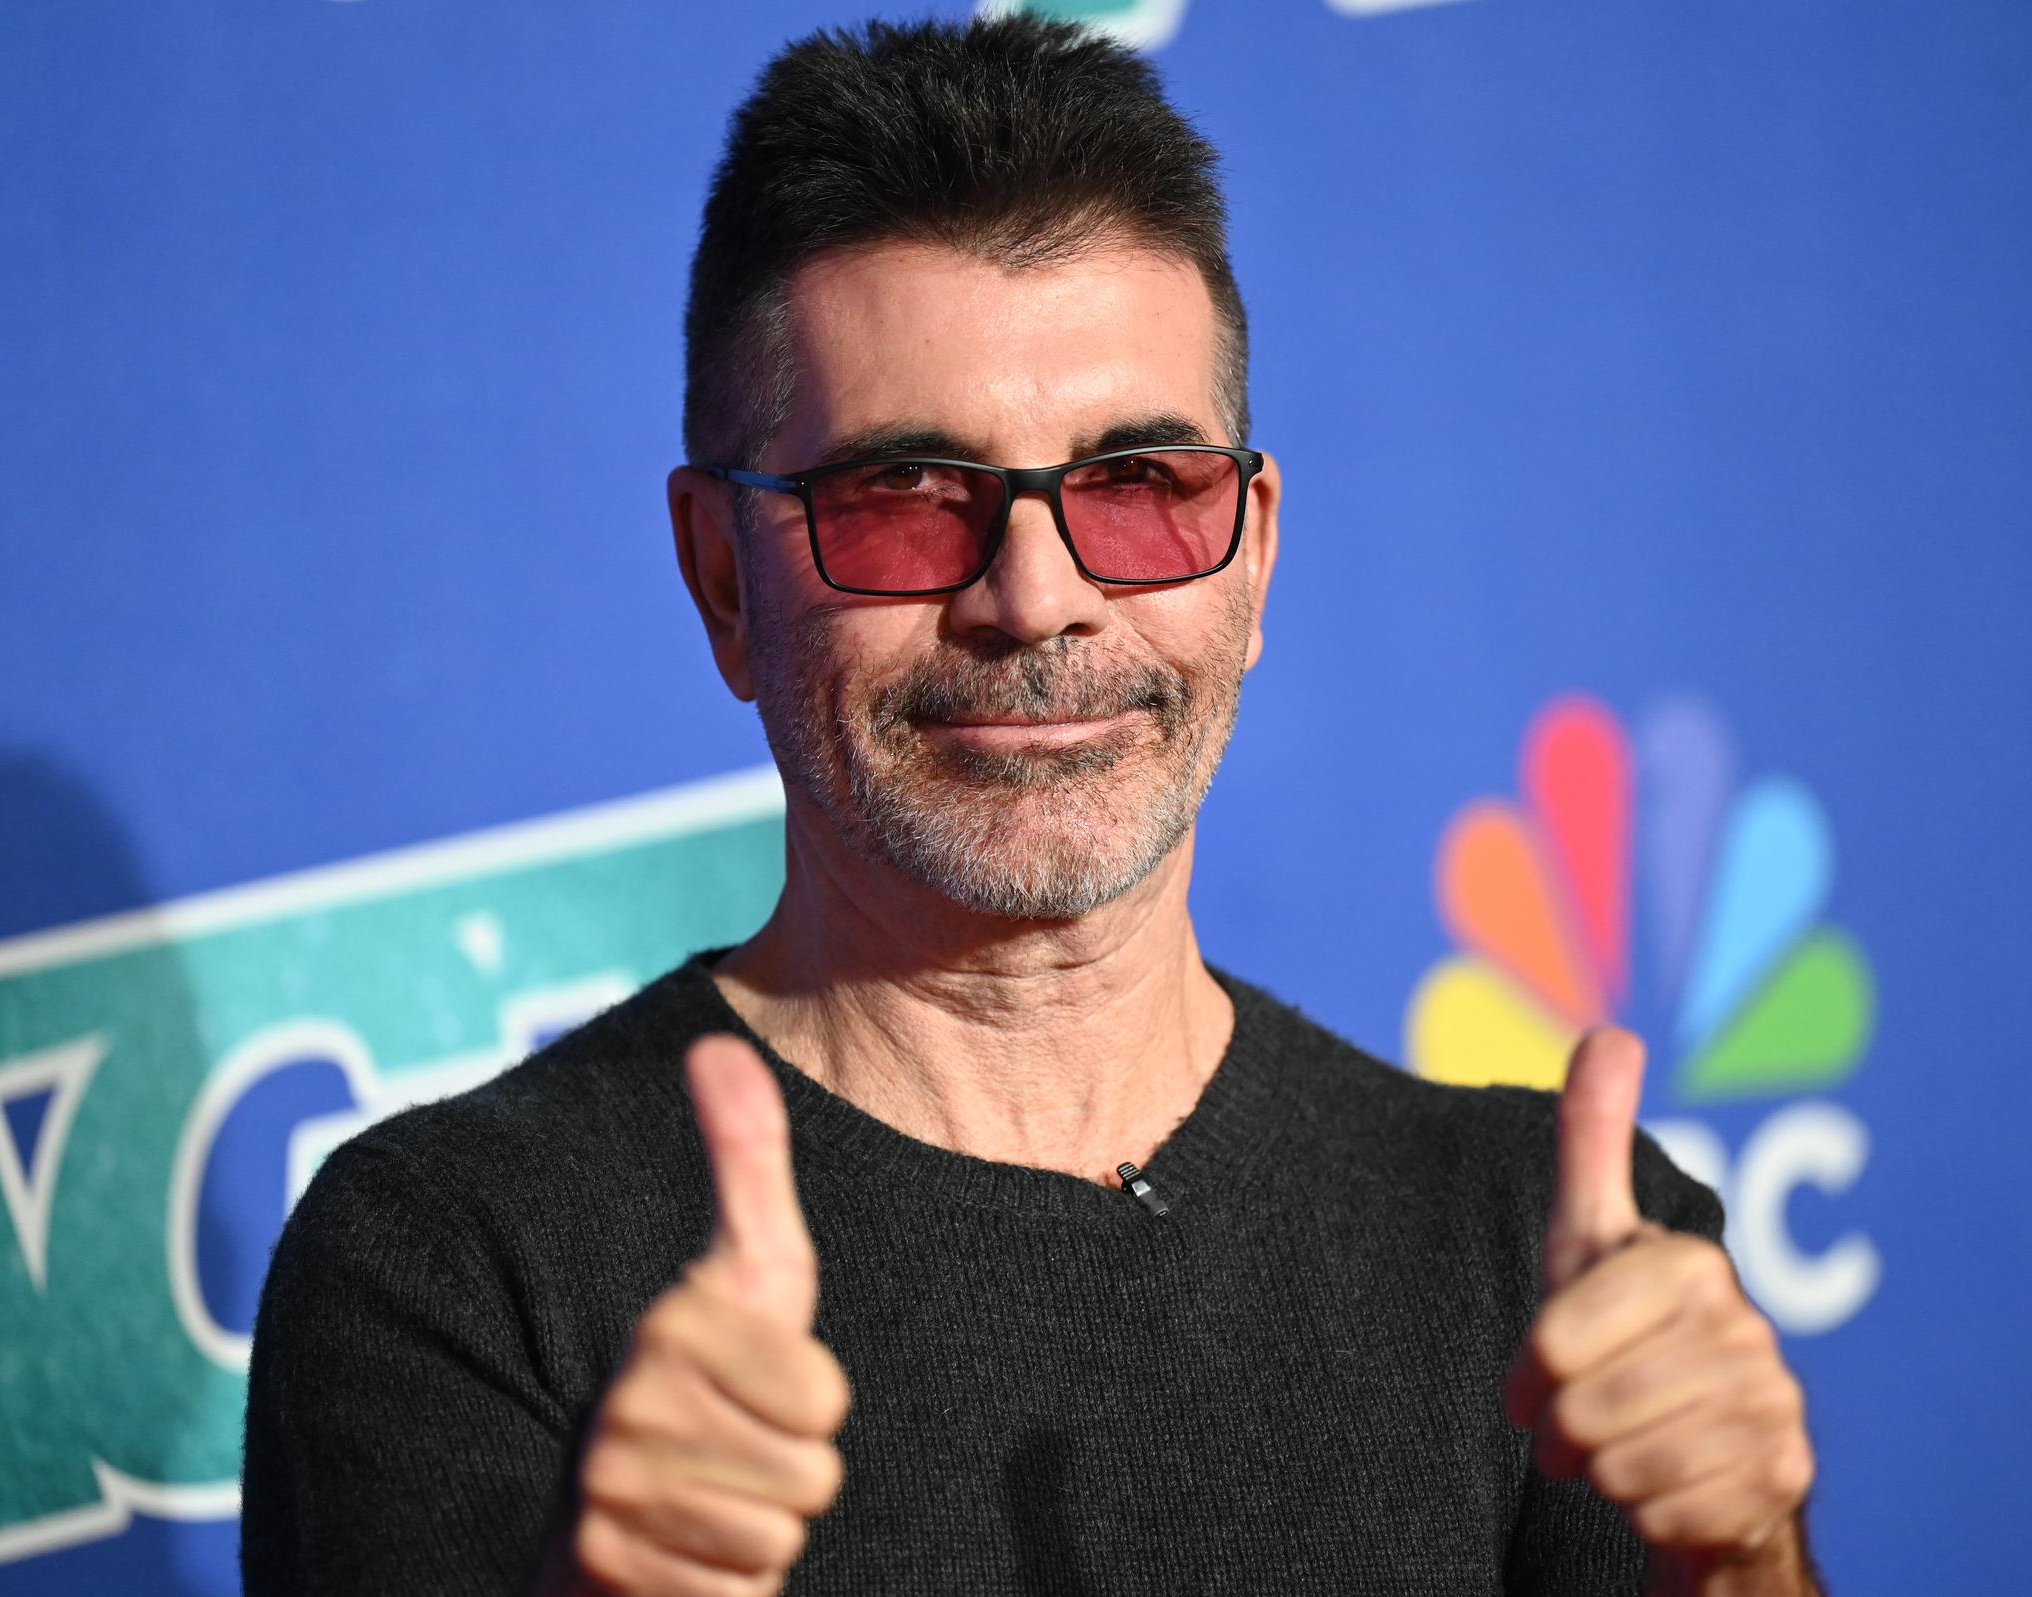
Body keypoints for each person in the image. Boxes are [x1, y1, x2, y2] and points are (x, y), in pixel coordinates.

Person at [241, 16, 1822, 1595]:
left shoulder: (1557, 1250)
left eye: (1140, 483)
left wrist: (1746, 1565)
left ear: (1253, 556)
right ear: (724, 579)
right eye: (907, 497)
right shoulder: (452, 1264)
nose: (1037, 596)